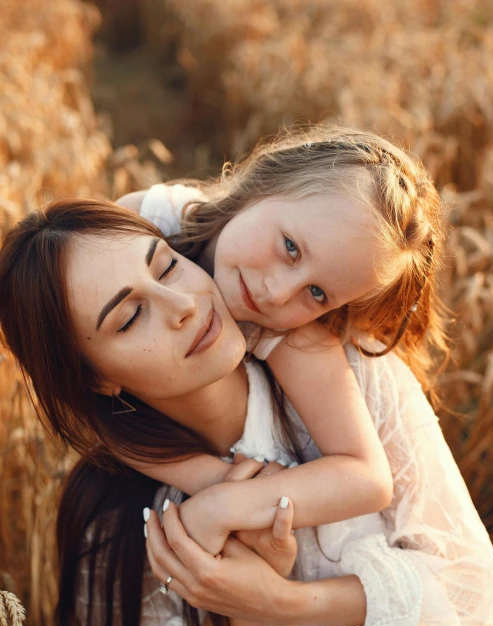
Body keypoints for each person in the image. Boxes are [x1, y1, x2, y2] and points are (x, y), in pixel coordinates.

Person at [0, 195, 493, 626]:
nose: (183, 304)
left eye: (164, 266)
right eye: (129, 317)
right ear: (97, 378)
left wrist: (287, 603)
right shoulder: (112, 520)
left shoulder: (351, 384)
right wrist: (243, 605)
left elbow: (464, 588)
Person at [116, 127, 447, 553]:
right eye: (291, 247)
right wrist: (198, 475)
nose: (277, 293)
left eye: (317, 294)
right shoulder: (148, 221)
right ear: (264, 184)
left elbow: (368, 479)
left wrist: (225, 502)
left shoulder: (286, 332)